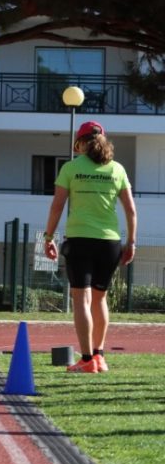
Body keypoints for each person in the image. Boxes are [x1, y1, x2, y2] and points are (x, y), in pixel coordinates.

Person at [44, 121, 136, 373]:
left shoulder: (70, 168)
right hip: (109, 242)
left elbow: (57, 206)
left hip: (79, 240)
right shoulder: (117, 169)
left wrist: (48, 237)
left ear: (81, 143)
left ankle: (85, 360)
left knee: (81, 300)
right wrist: (131, 242)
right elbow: (131, 210)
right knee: (100, 298)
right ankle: (99, 357)